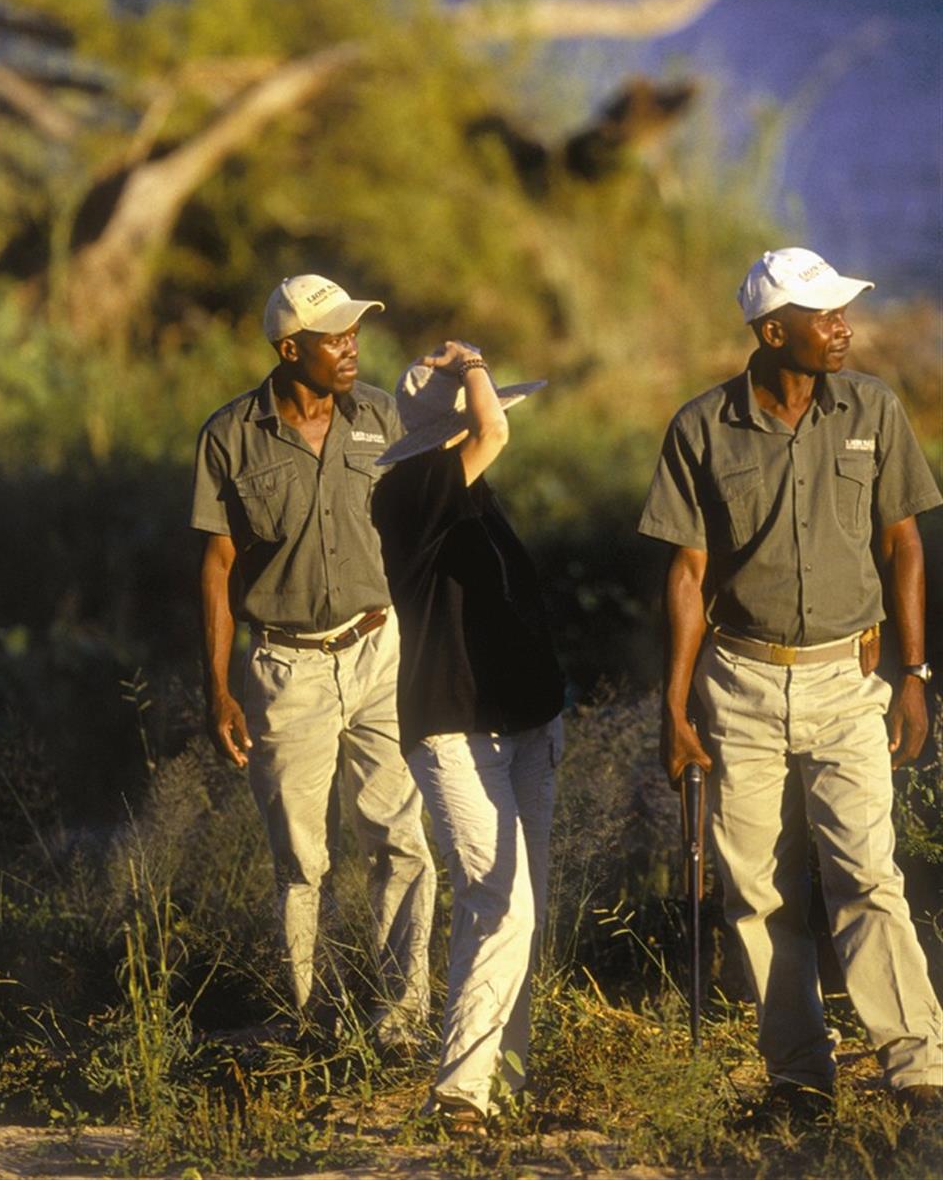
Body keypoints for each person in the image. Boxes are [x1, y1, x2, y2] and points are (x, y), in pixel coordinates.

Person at [639, 246, 942, 1117]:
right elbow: (688, 576)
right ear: (775, 333)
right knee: (759, 893)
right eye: (826, 315)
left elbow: (903, 544)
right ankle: (800, 1077)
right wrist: (674, 703)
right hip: (739, 683)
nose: (845, 326)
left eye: (846, 311)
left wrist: (914, 674)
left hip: (848, 681)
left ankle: (919, 1068)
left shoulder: (874, 409)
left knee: (867, 874)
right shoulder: (701, 427)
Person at [191, 273, 436, 1048]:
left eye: (355, 332)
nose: (352, 347)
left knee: (401, 837)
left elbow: (420, 529)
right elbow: (218, 566)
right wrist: (220, 690)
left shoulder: (383, 419)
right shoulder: (230, 435)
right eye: (335, 336)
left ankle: (400, 1023)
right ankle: (312, 1022)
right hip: (284, 668)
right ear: (290, 348)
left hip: (378, 650)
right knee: (303, 858)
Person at [371, 340, 564, 1128]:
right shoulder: (408, 490)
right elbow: (493, 434)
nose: (493, 416)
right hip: (453, 730)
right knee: (501, 903)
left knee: (512, 909)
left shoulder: (471, 497)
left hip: (522, 723)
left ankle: (501, 1081)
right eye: (483, 405)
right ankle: (459, 1093)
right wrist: (475, 363)